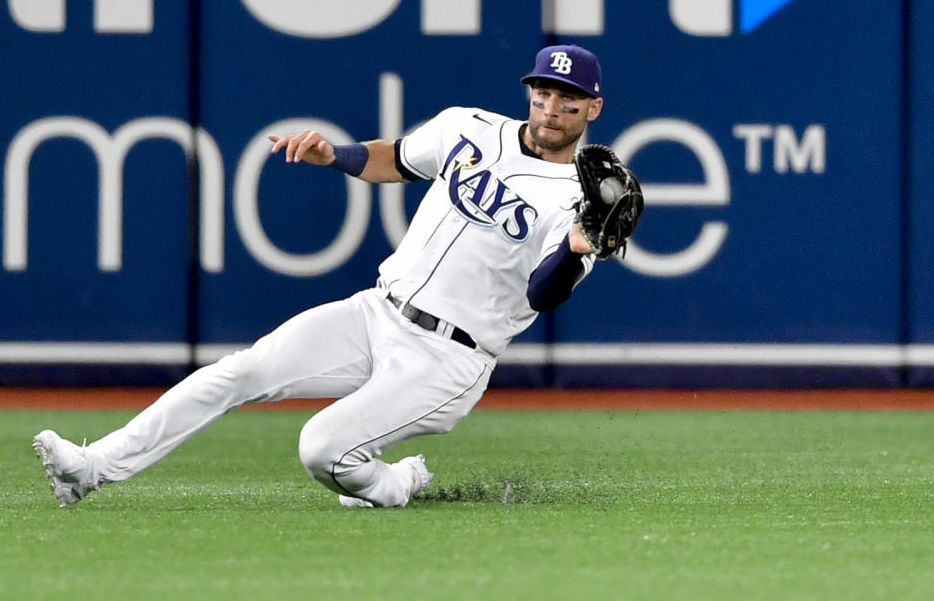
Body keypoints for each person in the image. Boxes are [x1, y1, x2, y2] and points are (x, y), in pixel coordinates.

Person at [33, 44, 612, 508]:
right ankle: (94, 467)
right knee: (240, 371)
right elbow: (397, 158)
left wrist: (576, 246)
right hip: (377, 312)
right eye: (543, 92)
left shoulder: (584, 199)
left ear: (592, 109)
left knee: (322, 450)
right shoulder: (471, 126)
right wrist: (334, 155)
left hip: (450, 359)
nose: (551, 108)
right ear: (529, 93)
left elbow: (544, 292)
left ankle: (394, 484)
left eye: (568, 99)